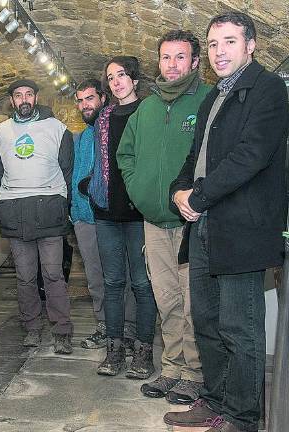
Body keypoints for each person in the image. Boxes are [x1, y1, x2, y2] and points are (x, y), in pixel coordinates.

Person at [165, 12, 289, 432]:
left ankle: (242, 417)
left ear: (250, 45)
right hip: (203, 226)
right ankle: (214, 400)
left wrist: (197, 197)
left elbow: (249, 157)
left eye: (230, 42)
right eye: (214, 44)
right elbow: (193, 160)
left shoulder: (267, 90)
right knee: (208, 324)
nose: (220, 52)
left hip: (241, 229)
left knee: (241, 329)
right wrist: (179, 192)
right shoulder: (212, 97)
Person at [116, 30, 212, 404]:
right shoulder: (147, 108)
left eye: (180, 57)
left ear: (194, 62)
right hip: (153, 222)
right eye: (166, 57)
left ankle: (195, 371)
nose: (172, 65)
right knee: (166, 298)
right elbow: (126, 155)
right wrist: (139, 190)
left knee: (192, 302)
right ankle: (171, 367)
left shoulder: (207, 100)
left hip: (193, 222)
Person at [80, 57, 157, 380]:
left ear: (135, 79)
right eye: (110, 78)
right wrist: (91, 187)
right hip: (108, 213)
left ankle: (143, 352)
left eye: (121, 75)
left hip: (140, 213)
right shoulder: (103, 117)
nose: (116, 82)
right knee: (112, 283)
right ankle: (114, 351)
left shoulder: (150, 112)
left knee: (142, 284)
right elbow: (100, 162)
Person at [0, 79, 74, 354]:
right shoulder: (0, 133)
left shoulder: (57, 128)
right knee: (25, 277)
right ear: (11, 100)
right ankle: (32, 328)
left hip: (48, 210)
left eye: (28, 94)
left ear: (35, 97)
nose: (23, 99)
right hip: (17, 212)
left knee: (52, 274)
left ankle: (61, 329)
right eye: (18, 95)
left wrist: (56, 200)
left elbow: (67, 169)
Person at [69, 79, 107, 350]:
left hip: (108, 216)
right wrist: (74, 211)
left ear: (102, 99)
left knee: (119, 278)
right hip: (83, 217)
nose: (85, 105)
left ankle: (125, 330)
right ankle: (104, 326)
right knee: (94, 278)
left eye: (90, 98)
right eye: (81, 100)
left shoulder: (111, 128)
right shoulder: (82, 137)